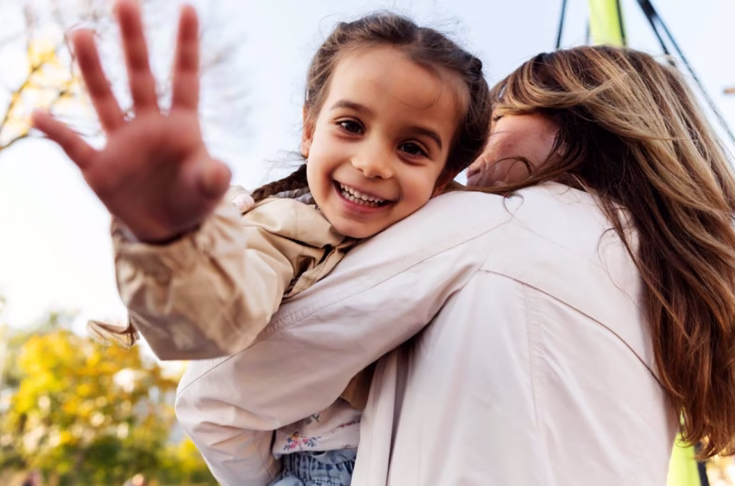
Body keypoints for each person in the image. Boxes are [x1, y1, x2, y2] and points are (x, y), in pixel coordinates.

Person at [175, 45, 735, 485]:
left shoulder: (498, 221)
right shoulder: (672, 292)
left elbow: (216, 393)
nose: (467, 161)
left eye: (497, 119)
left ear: (573, 122)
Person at [30, 1, 492, 484]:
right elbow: (216, 313)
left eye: (412, 148)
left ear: (444, 177)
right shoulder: (285, 228)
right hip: (323, 470)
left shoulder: (461, 231)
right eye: (351, 126)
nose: (372, 162)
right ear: (309, 131)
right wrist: (169, 241)